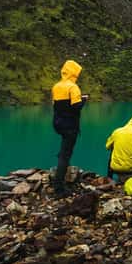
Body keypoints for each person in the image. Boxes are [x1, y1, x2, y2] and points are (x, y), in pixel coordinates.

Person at [51, 60, 87, 198]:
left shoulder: (56, 86)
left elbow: (56, 105)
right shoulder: (73, 87)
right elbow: (76, 107)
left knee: (64, 151)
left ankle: (63, 171)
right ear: (73, 73)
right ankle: (59, 188)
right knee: (65, 155)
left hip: (58, 124)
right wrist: (84, 100)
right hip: (70, 126)